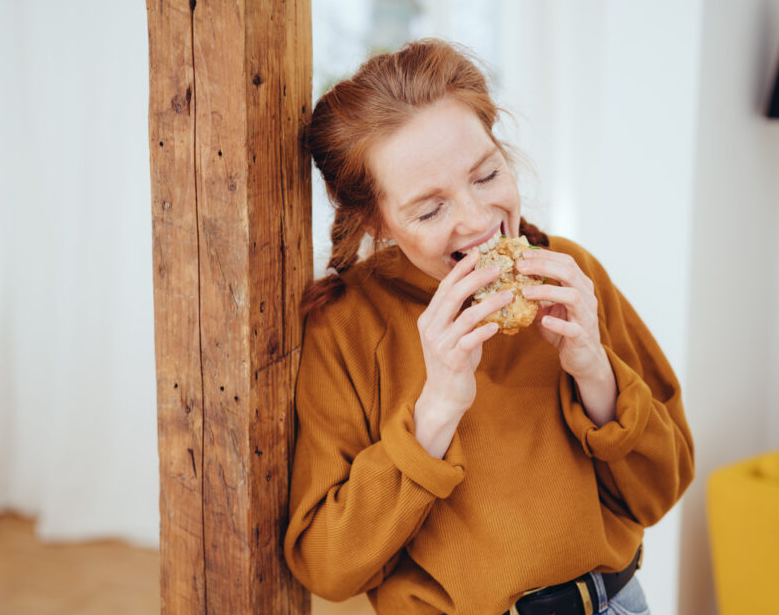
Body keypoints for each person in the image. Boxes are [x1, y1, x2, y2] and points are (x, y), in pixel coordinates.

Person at [283, 38, 694, 615]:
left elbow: (659, 493)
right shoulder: (347, 327)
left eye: (486, 175)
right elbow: (327, 568)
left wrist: (594, 372)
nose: (478, 222)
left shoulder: (571, 274)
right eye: (429, 210)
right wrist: (436, 410)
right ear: (374, 220)